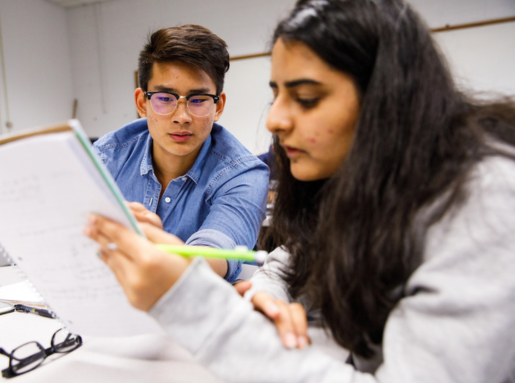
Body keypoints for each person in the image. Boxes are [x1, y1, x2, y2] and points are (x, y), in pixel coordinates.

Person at [84, 0, 515, 381]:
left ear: (388, 102)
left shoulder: (488, 201)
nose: (274, 119)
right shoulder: (354, 181)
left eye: (305, 97)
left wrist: (188, 301)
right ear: (143, 102)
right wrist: (267, 301)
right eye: (277, 94)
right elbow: (285, 263)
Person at [92, 25, 269, 282]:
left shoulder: (244, 175)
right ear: (143, 103)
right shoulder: (107, 157)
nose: (182, 117)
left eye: (198, 100)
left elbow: (213, 254)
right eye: (165, 98)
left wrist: (150, 244)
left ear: (218, 106)